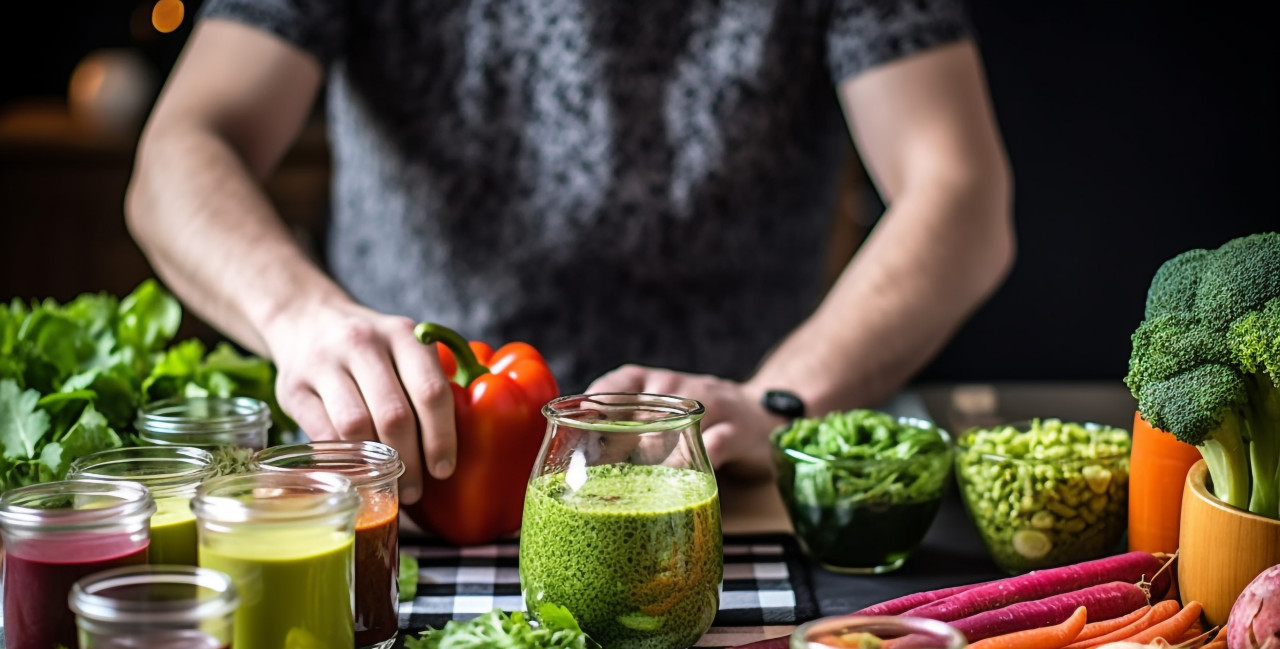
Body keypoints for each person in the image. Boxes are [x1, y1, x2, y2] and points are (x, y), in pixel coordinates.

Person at [125, 0, 1014, 505]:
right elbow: (181, 149)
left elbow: (961, 195)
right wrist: (301, 318)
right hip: (404, 467)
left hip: (720, 474)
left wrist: (780, 398)